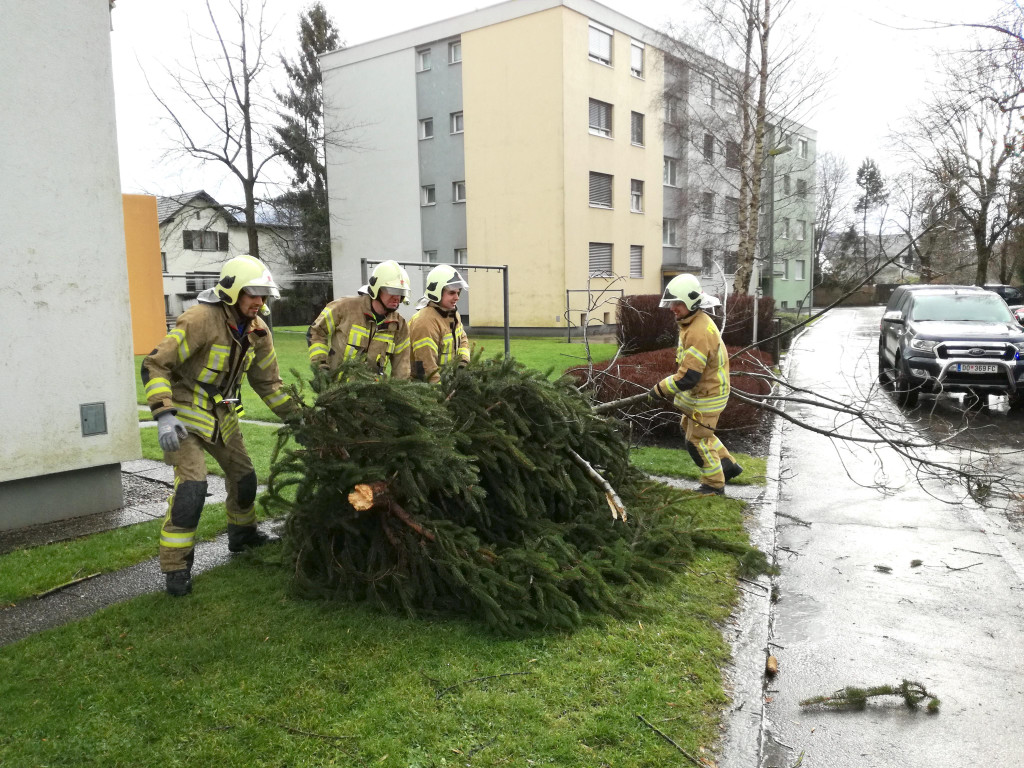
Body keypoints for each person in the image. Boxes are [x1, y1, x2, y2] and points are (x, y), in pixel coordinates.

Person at [141, 254, 298, 597]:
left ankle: (242, 536)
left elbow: (268, 383)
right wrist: (163, 414)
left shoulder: (259, 330)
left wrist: (297, 418)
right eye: (252, 293)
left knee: (244, 478)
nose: (259, 301)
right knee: (192, 489)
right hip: (183, 410)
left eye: (263, 295)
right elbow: (155, 364)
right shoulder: (200, 319)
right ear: (232, 291)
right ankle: (176, 567)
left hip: (223, 409)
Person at [651, 273, 742, 496]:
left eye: (678, 303)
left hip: (708, 394)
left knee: (696, 441)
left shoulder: (699, 331)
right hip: (705, 391)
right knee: (692, 428)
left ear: (692, 302)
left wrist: (659, 389)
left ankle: (713, 485)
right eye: (672, 303)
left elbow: (687, 377)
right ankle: (727, 466)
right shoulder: (692, 322)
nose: (673, 308)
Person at [307, 259, 411, 379]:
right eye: (393, 291)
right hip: (337, 389)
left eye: (401, 292)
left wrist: (396, 394)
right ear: (376, 289)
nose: (397, 297)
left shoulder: (400, 326)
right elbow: (316, 331)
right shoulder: (344, 307)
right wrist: (321, 367)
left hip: (372, 393)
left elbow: (402, 369)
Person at [409, 264, 471, 383]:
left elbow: (462, 339)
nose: (457, 297)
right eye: (451, 293)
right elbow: (427, 366)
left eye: (458, 292)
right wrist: (441, 393)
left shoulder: (452, 314)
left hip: (448, 382)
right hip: (426, 389)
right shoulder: (424, 322)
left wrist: (462, 364)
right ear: (436, 292)